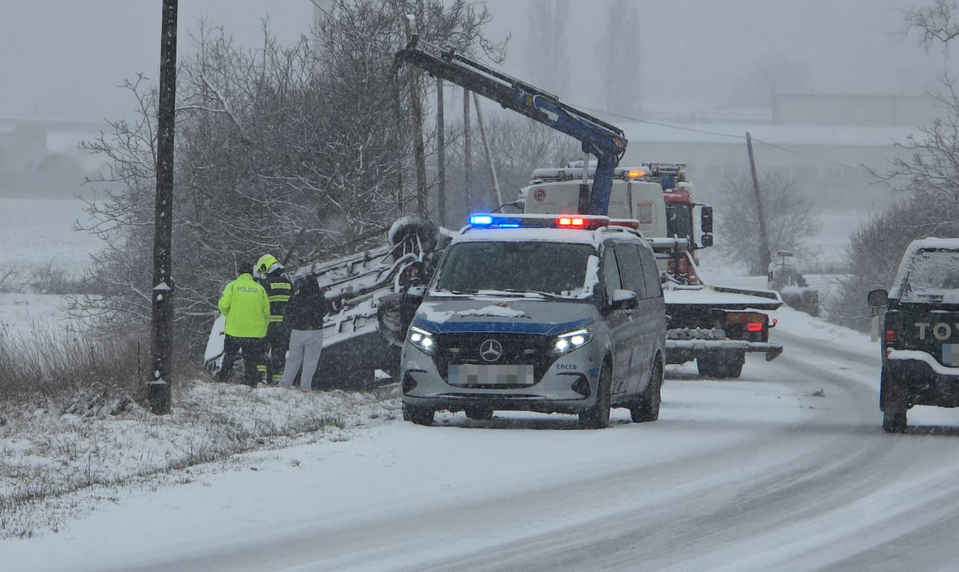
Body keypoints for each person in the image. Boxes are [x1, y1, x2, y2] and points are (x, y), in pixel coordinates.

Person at [216, 262, 270, 386]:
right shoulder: (260, 289)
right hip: (254, 332)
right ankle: (250, 383)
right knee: (250, 360)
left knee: (229, 356)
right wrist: (263, 329)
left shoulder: (232, 286)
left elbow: (223, 306)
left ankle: (223, 380)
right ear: (251, 273)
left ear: (239, 272)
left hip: (234, 330)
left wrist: (229, 314)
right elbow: (267, 313)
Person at [280, 277, 329, 391]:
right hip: (315, 331)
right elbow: (324, 311)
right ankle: (305, 386)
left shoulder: (295, 299)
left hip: (297, 331)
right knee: (310, 361)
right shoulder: (319, 298)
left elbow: (288, 312)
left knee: (293, 360)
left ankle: (284, 384)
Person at [257, 253, 294, 385]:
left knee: (261, 351)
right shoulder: (289, 285)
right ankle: (277, 380)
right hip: (284, 327)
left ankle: (261, 378)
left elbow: (259, 306)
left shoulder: (264, 286)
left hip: (267, 326)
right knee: (279, 353)